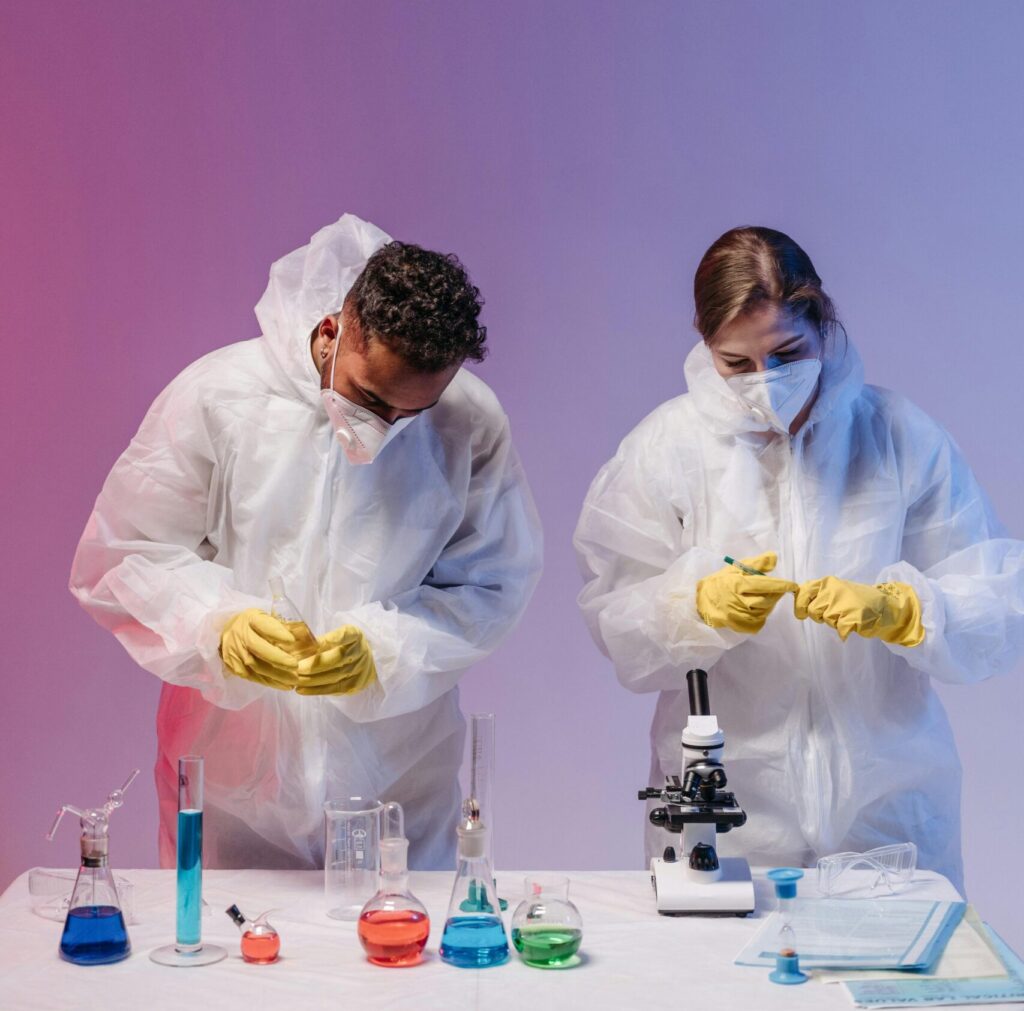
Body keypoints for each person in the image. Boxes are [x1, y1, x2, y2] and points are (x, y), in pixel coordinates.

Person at [70, 214, 542, 870]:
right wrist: (215, 625)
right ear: (331, 331)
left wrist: (387, 649)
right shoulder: (220, 396)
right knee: (223, 962)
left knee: (406, 966)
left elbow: (493, 582)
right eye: (370, 397)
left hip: (398, 790)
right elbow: (124, 552)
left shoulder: (469, 420)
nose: (383, 428)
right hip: (229, 792)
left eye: (412, 413)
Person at [574, 226, 1023, 891]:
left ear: (823, 324)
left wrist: (908, 611)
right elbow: (617, 618)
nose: (766, 382)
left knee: (894, 991)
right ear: (705, 345)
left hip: (890, 817)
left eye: (787, 353)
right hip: (729, 819)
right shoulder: (666, 450)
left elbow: (997, 600)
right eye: (737, 363)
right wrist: (693, 606)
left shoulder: (899, 438)